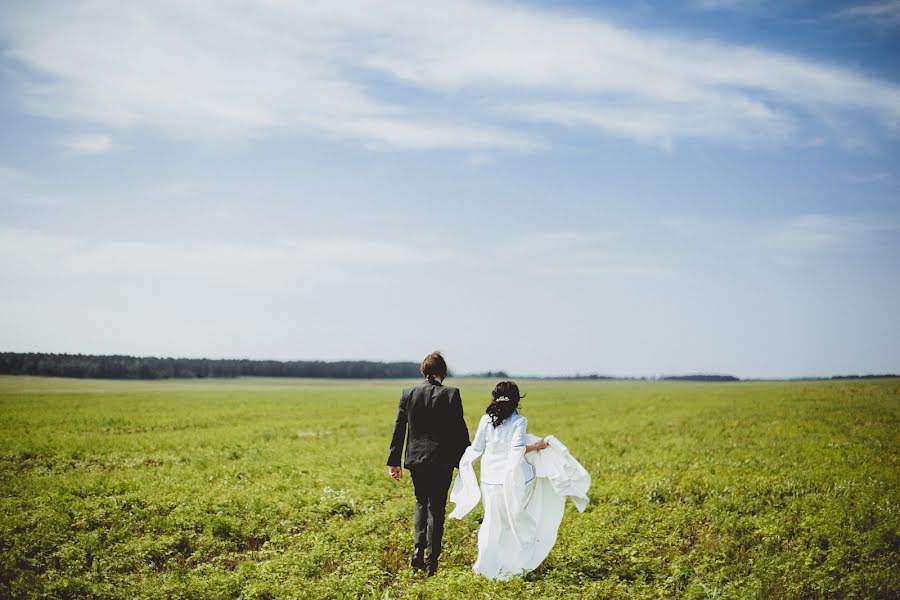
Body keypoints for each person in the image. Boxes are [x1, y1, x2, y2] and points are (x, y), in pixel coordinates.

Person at [449, 381, 591, 580]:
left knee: (492, 521)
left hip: (489, 480)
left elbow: (477, 448)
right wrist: (538, 445)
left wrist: (465, 464)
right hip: (514, 480)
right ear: (516, 400)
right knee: (515, 519)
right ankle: (513, 563)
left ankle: (486, 565)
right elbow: (517, 451)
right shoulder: (519, 421)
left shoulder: (485, 420)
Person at [386, 351, 469, 576]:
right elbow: (459, 431)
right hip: (441, 461)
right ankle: (432, 562)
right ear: (443, 372)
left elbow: (399, 428)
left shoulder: (408, 393)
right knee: (437, 509)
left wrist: (394, 462)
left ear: (424, 371)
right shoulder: (452, 394)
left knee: (421, 503)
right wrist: (465, 461)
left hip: (415, 459)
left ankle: (417, 552)